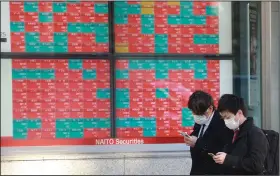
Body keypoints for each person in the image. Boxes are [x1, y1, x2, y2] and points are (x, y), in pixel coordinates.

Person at [213, 94, 269, 175]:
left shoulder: (255, 134)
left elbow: (256, 164)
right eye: (223, 118)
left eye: (228, 117)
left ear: (239, 113)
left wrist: (228, 159)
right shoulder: (232, 132)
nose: (226, 121)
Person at [184, 90, 233, 175]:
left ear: (210, 108)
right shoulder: (200, 120)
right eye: (194, 113)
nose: (197, 116)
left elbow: (221, 149)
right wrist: (190, 138)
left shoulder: (222, 122)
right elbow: (197, 133)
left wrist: (197, 142)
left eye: (200, 114)